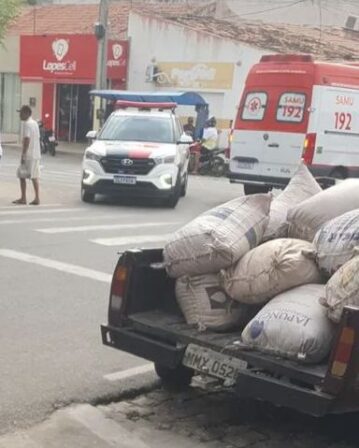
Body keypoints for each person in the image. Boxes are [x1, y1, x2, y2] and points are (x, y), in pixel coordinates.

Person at [13, 105, 41, 205]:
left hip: (29, 155)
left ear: (27, 113)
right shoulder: (35, 123)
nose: (20, 115)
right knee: (34, 176)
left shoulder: (27, 124)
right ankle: (36, 197)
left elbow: (27, 139)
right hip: (36, 154)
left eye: (21, 113)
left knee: (21, 175)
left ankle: (24, 198)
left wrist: (23, 154)